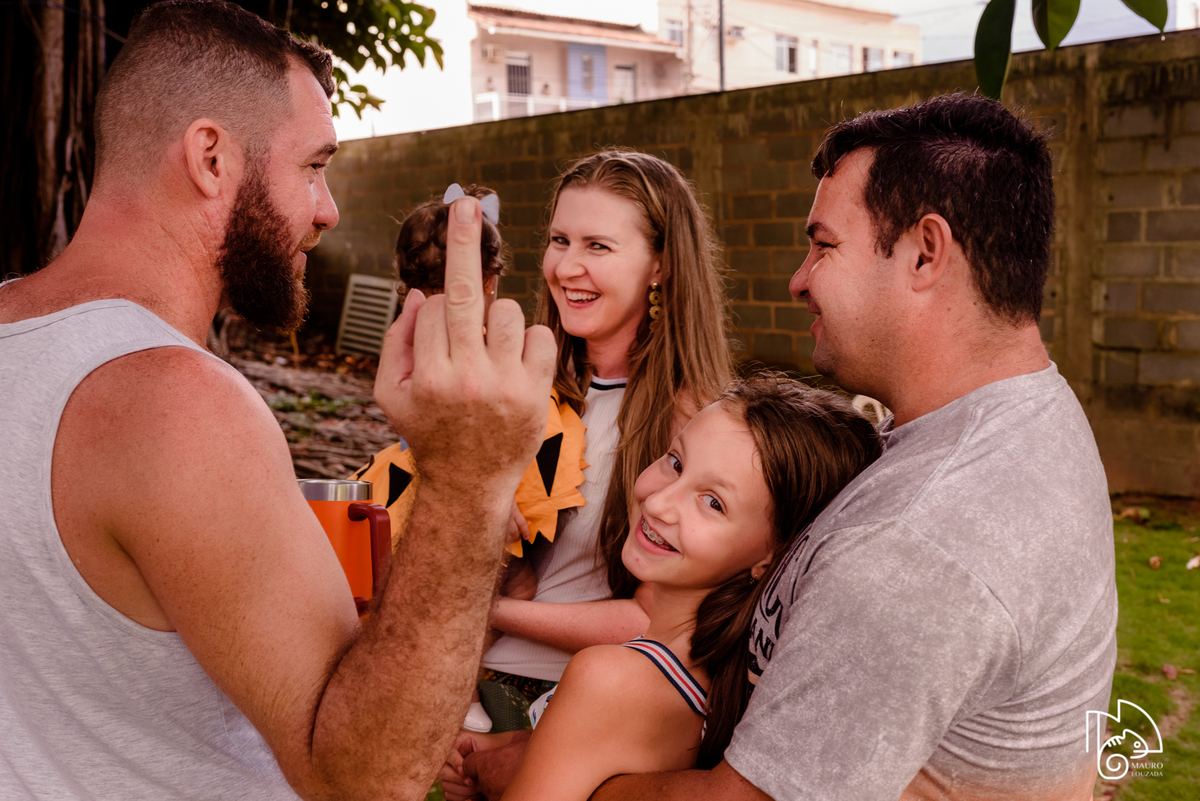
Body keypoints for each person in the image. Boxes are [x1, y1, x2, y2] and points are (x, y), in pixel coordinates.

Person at [466, 95, 1119, 801]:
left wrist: (555, 772)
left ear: (926, 253)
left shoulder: (918, 540)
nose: (798, 277)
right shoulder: (1010, 423)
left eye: (824, 244)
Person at [0, 2, 553, 799]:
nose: (327, 211)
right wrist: (468, 483)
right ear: (212, 158)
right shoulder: (178, 401)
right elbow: (366, 778)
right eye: (314, 167)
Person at [440, 375, 882, 800]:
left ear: (771, 555)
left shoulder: (610, 679)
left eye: (713, 503)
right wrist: (506, 751)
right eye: (676, 463)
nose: (658, 501)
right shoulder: (716, 680)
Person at [478, 151, 734, 719]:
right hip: (463, 678)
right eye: (560, 240)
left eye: (598, 246)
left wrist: (484, 607)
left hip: (564, 703)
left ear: (660, 265)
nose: (567, 268)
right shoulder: (518, 378)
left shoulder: (691, 418)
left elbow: (656, 618)